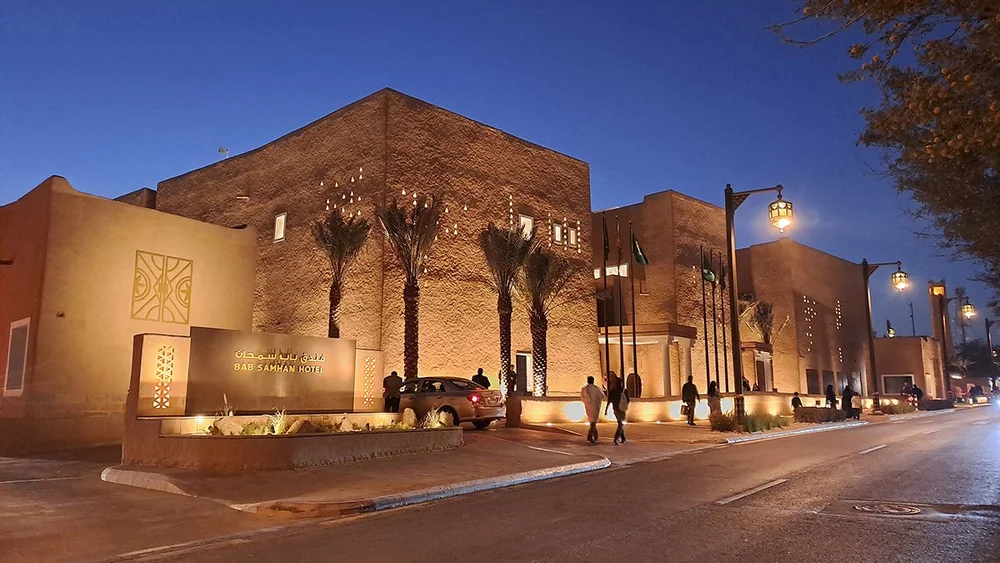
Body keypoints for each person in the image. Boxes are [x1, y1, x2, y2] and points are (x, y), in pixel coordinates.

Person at [581, 376, 604, 444]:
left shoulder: (584, 389)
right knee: (593, 421)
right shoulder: (596, 388)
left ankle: (595, 434)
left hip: (588, 407)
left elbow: (582, 398)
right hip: (595, 407)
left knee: (592, 421)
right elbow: (602, 396)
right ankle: (590, 436)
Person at [608, 376, 629, 445]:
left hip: (615, 409)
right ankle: (616, 438)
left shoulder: (612, 391)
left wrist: (606, 409)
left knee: (620, 423)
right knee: (621, 424)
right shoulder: (624, 391)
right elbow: (628, 400)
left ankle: (623, 437)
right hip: (622, 410)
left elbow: (609, 400)